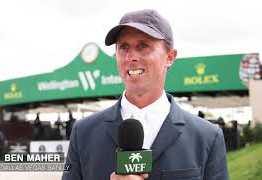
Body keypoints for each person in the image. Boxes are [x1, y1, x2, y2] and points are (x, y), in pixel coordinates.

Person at [62, 9, 229, 180]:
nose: (131, 57)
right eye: (124, 47)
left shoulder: (207, 137)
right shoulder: (83, 132)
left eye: (142, 46)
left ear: (170, 57)